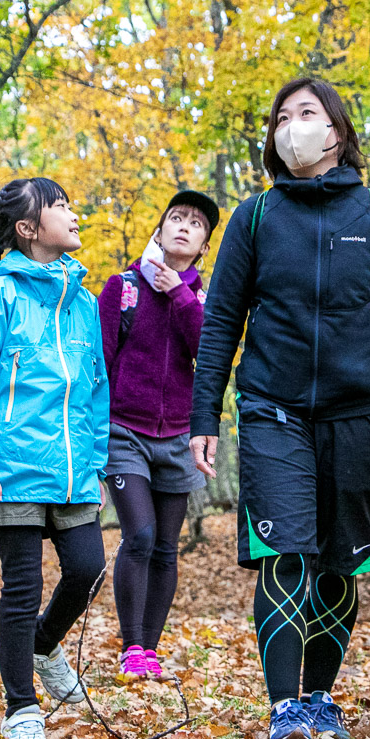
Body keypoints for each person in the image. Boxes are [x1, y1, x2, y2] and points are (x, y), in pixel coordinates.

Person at [190, 77, 370, 739]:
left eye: (306, 114)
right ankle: (284, 711)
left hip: (357, 413)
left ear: (337, 131)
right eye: (281, 116)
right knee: (286, 553)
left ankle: (319, 696)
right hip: (271, 409)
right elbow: (223, 317)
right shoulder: (255, 218)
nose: (292, 127)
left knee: (340, 563)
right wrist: (205, 416)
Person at [0, 177, 110, 739]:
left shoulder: (84, 303)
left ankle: (42, 645)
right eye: (60, 205)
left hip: (70, 471)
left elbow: (95, 391)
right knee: (22, 584)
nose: (73, 212)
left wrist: (96, 464)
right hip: (8, 469)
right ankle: (21, 709)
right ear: (28, 228)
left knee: (88, 569)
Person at [97, 190, 219, 680]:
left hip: (180, 437)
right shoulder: (122, 287)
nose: (184, 227)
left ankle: (150, 649)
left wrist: (179, 294)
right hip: (124, 431)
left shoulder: (205, 299)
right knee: (140, 536)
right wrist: (92, 435)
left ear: (205, 247)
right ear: (160, 230)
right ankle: (131, 648)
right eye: (176, 218)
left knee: (167, 548)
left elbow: (209, 354)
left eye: (196, 224)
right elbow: (101, 363)